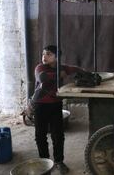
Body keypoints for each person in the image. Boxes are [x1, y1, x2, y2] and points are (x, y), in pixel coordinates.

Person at [33, 45, 82, 174]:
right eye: (43, 54)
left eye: (48, 54)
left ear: (56, 57)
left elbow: (77, 69)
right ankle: (45, 163)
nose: (44, 57)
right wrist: (59, 74)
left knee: (58, 135)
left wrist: (82, 73)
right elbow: (42, 78)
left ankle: (59, 161)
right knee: (40, 135)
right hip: (40, 105)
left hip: (55, 105)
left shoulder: (63, 67)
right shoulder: (40, 67)